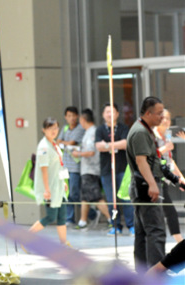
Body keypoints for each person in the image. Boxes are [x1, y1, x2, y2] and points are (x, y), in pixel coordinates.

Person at [126, 96, 166, 272]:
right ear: (148, 113)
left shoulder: (144, 129)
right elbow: (141, 161)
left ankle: (143, 274)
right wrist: (152, 184)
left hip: (141, 186)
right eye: (158, 114)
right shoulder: (140, 132)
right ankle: (156, 274)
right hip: (144, 187)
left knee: (143, 233)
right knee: (155, 231)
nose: (162, 117)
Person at [27, 117, 70, 246]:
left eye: (56, 128)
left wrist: (63, 181)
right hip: (50, 188)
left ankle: (64, 243)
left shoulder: (54, 144)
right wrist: (47, 189)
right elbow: (43, 169)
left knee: (62, 216)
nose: (54, 131)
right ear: (44, 130)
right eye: (51, 128)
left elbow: (59, 165)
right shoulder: (44, 146)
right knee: (51, 217)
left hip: (58, 187)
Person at [95, 102, 134, 236]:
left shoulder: (123, 128)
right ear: (103, 114)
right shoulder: (100, 130)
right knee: (112, 199)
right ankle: (115, 226)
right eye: (107, 111)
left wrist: (107, 145)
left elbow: (125, 143)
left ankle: (131, 225)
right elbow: (98, 146)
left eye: (112, 111)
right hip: (107, 170)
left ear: (117, 114)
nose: (110, 114)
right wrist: (113, 146)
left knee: (126, 198)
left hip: (122, 168)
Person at [71, 109, 112, 230]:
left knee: (95, 196)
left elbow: (90, 151)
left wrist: (77, 153)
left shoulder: (92, 132)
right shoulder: (89, 132)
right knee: (85, 196)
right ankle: (83, 221)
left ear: (83, 120)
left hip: (91, 170)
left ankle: (111, 218)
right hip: (87, 169)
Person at [154, 109, 184, 243]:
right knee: (169, 212)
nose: (165, 121)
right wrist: (165, 148)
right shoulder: (151, 135)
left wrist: (181, 178)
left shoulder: (166, 136)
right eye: (163, 118)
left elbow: (170, 160)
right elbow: (149, 156)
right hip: (154, 181)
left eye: (168, 118)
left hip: (163, 180)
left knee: (166, 213)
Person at [57, 106, 85, 226]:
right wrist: (63, 143)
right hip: (64, 166)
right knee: (65, 192)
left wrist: (63, 143)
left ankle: (91, 213)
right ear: (65, 117)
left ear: (77, 116)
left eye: (74, 115)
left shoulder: (80, 128)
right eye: (69, 116)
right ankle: (69, 218)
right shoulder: (65, 128)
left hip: (75, 167)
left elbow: (72, 142)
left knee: (74, 193)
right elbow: (58, 142)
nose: (71, 118)